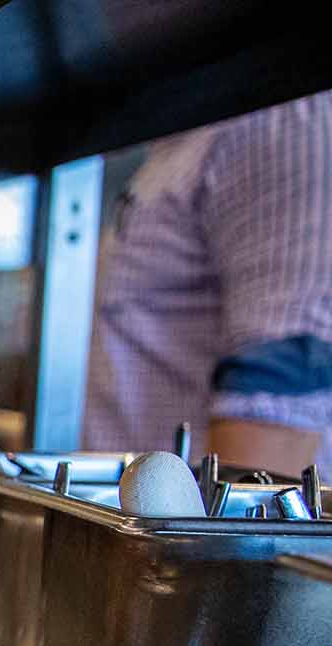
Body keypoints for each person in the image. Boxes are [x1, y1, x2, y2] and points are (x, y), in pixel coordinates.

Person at [81, 90, 332, 473]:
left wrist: (212, 535)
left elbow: (278, 412)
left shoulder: (284, 115)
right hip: (129, 515)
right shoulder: (198, 122)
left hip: (175, 526)